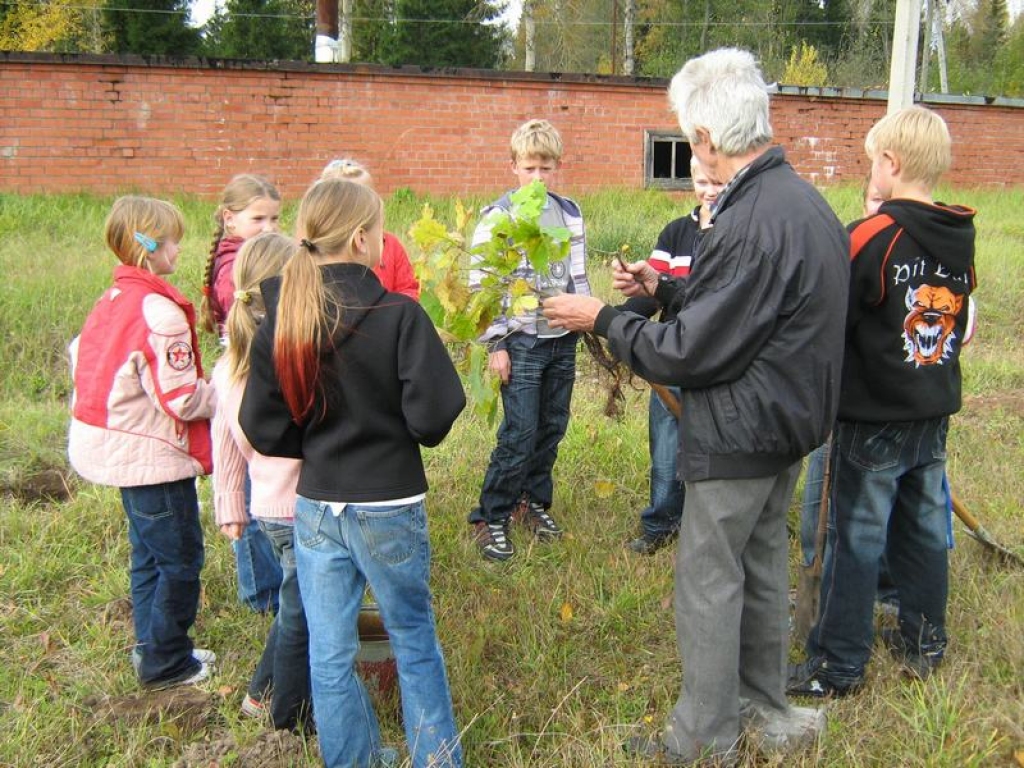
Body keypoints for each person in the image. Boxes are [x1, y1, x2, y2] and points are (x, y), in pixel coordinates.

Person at [542, 48, 848, 764]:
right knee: (763, 565)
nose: (691, 147)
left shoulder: (747, 222)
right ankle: (766, 712)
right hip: (786, 426)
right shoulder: (798, 203)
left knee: (709, 580)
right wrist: (664, 288)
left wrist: (605, 317)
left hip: (741, 429)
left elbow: (687, 353)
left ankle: (703, 741)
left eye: (689, 136)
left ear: (707, 139)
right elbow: (746, 311)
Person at [238, 179, 466, 768]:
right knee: (413, 640)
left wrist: (313, 442)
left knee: (330, 651)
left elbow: (261, 426)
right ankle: (437, 760)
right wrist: (398, 430)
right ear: (364, 237)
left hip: (317, 506)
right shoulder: (398, 315)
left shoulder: (288, 317)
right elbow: (436, 413)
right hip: (388, 502)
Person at [788, 105, 977, 697]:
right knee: (923, 529)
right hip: (932, 410)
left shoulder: (870, 235)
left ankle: (838, 664)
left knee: (857, 535)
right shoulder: (959, 236)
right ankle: (925, 640)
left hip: (874, 420)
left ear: (889, 164)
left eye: (874, 160)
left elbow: (830, 318)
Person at [68, 196, 217, 690]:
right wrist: (225, 392)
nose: (179, 247)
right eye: (173, 238)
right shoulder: (159, 311)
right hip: (152, 458)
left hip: (115, 448)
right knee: (180, 558)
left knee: (147, 553)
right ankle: (168, 662)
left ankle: (149, 645)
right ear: (150, 246)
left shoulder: (111, 299)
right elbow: (182, 398)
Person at [467, 118, 592, 561]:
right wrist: (496, 343)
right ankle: (491, 514)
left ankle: (531, 500)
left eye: (546, 168)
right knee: (519, 431)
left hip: (562, 339)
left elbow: (577, 274)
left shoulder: (569, 213)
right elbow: (485, 284)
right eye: (529, 168)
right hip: (522, 341)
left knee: (552, 425)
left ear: (556, 167)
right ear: (513, 167)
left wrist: (587, 319)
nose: (538, 178)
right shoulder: (499, 216)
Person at [210, 232, 311, 730]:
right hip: (300, 508)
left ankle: (266, 693)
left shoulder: (229, 362)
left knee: (298, 602)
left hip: (269, 509)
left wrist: (231, 504)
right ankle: (276, 704)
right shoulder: (282, 360)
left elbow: (224, 443)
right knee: (300, 611)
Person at [621, 156, 721, 555]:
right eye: (702, 181)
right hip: (674, 354)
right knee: (666, 443)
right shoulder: (677, 233)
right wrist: (611, 320)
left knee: (715, 447)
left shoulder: (737, 234)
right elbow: (651, 295)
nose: (710, 190)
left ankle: (709, 521)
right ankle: (661, 522)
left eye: (717, 181)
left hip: (716, 361)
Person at [200, 173, 284, 615]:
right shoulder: (238, 267)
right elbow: (251, 318)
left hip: (253, 366)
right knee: (251, 497)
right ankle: (262, 593)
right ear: (230, 218)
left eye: (276, 218)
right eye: (259, 218)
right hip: (244, 369)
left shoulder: (248, 253)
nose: (269, 227)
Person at [319, 157, 421, 300]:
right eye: (355, 203)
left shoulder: (390, 245)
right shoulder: (323, 251)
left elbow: (408, 288)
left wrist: (396, 310)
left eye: (370, 198)